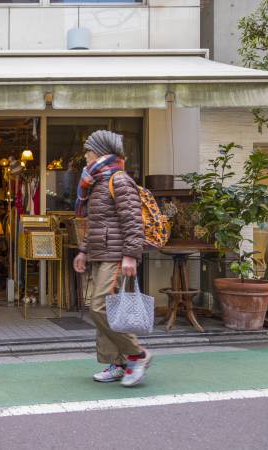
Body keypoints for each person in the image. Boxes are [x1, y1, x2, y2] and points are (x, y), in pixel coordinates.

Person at [72, 130, 152, 387]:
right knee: (106, 309)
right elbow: (96, 223)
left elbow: (133, 222)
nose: (85, 156)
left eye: (88, 150)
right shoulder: (96, 181)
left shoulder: (119, 180)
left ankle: (137, 355)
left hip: (116, 255)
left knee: (100, 307)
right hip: (101, 253)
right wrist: (84, 250)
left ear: (100, 152)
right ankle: (118, 363)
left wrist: (130, 255)